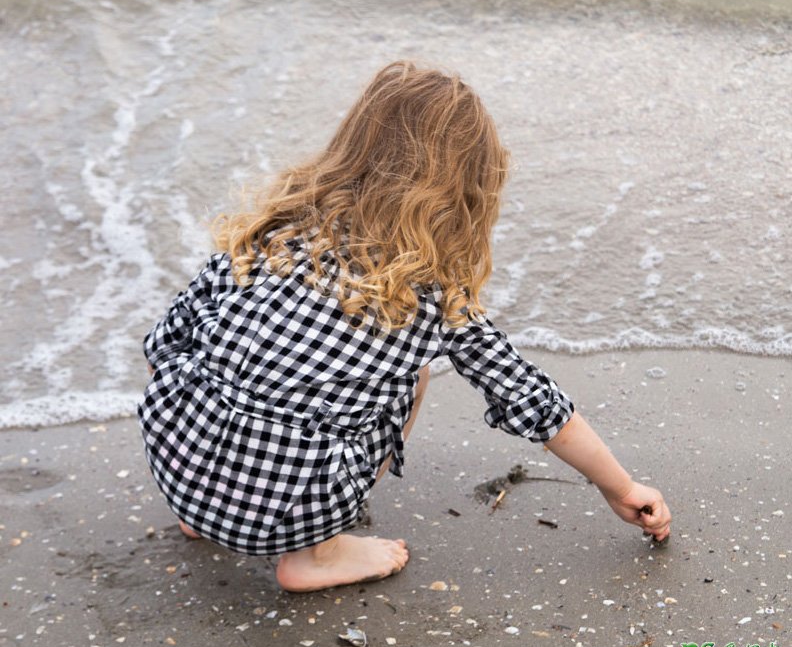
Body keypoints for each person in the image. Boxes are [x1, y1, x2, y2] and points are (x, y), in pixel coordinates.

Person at [138, 61, 671, 593]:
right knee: (411, 377)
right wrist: (621, 488)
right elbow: (530, 398)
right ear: (463, 187)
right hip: (288, 504)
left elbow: (164, 342)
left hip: (178, 461)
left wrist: (208, 439)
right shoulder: (431, 297)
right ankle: (317, 555)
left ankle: (204, 512)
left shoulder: (274, 232)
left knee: (215, 362)